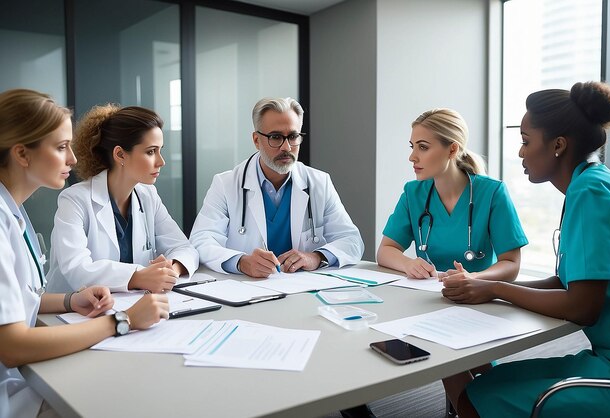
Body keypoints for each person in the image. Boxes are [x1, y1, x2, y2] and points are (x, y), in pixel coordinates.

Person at [441, 81, 610, 418]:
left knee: (474, 401)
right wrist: (489, 290)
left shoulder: (590, 194)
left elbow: (583, 306)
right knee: (489, 380)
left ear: (558, 145)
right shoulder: (593, 182)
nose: (520, 153)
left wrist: (496, 287)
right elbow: (567, 282)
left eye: (526, 141)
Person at [0, 89, 169, 418]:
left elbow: (17, 297)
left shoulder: (12, 214)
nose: (74, 160)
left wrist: (68, 301)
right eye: (62, 147)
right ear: (22, 153)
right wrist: (123, 320)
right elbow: (12, 345)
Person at [190, 97, 364, 278]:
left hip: (303, 292)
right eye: (276, 137)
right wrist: (241, 262)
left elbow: (352, 241)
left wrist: (316, 257)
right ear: (256, 140)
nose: (286, 147)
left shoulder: (319, 183)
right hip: (247, 289)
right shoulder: (226, 185)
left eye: (293, 136)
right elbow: (201, 241)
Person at [45, 105, 198, 293]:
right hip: (71, 312)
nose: (161, 161)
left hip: (129, 306)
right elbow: (77, 270)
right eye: (151, 152)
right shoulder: (75, 200)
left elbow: (185, 248)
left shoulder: (148, 196)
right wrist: (139, 276)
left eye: (160, 150)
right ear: (120, 154)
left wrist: (170, 269)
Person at [377, 108, 527, 282]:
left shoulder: (492, 193)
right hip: (426, 296)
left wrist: (473, 277)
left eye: (423, 147)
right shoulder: (413, 194)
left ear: (452, 149)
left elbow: (511, 263)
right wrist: (408, 264)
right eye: (413, 147)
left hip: (479, 298)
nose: (412, 157)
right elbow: (385, 250)